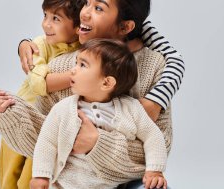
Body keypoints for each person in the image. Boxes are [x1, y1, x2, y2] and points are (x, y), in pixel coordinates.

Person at [0, 0, 183, 188]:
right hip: (65, 170)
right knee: (26, 172)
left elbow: (175, 62)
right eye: (87, 1)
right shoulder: (72, 57)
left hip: (125, 176)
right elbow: (46, 136)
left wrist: (98, 143)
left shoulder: (149, 54)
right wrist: (25, 45)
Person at [30, 38, 168, 189]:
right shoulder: (63, 109)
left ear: (106, 83)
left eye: (82, 65)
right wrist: (41, 175)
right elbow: (47, 141)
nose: (73, 69)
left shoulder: (131, 109)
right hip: (65, 185)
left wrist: (155, 170)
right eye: (76, 62)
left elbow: (153, 136)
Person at [0, 0, 86, 189]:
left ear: (77, 26)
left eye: (56, 19)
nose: (46, 24)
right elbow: (39, 84)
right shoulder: (40, 44)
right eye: (45, 15)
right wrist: (77, 76)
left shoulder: (86, 48)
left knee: (32, 176)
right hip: (19, 118)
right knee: (9, 177)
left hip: (44, 127)